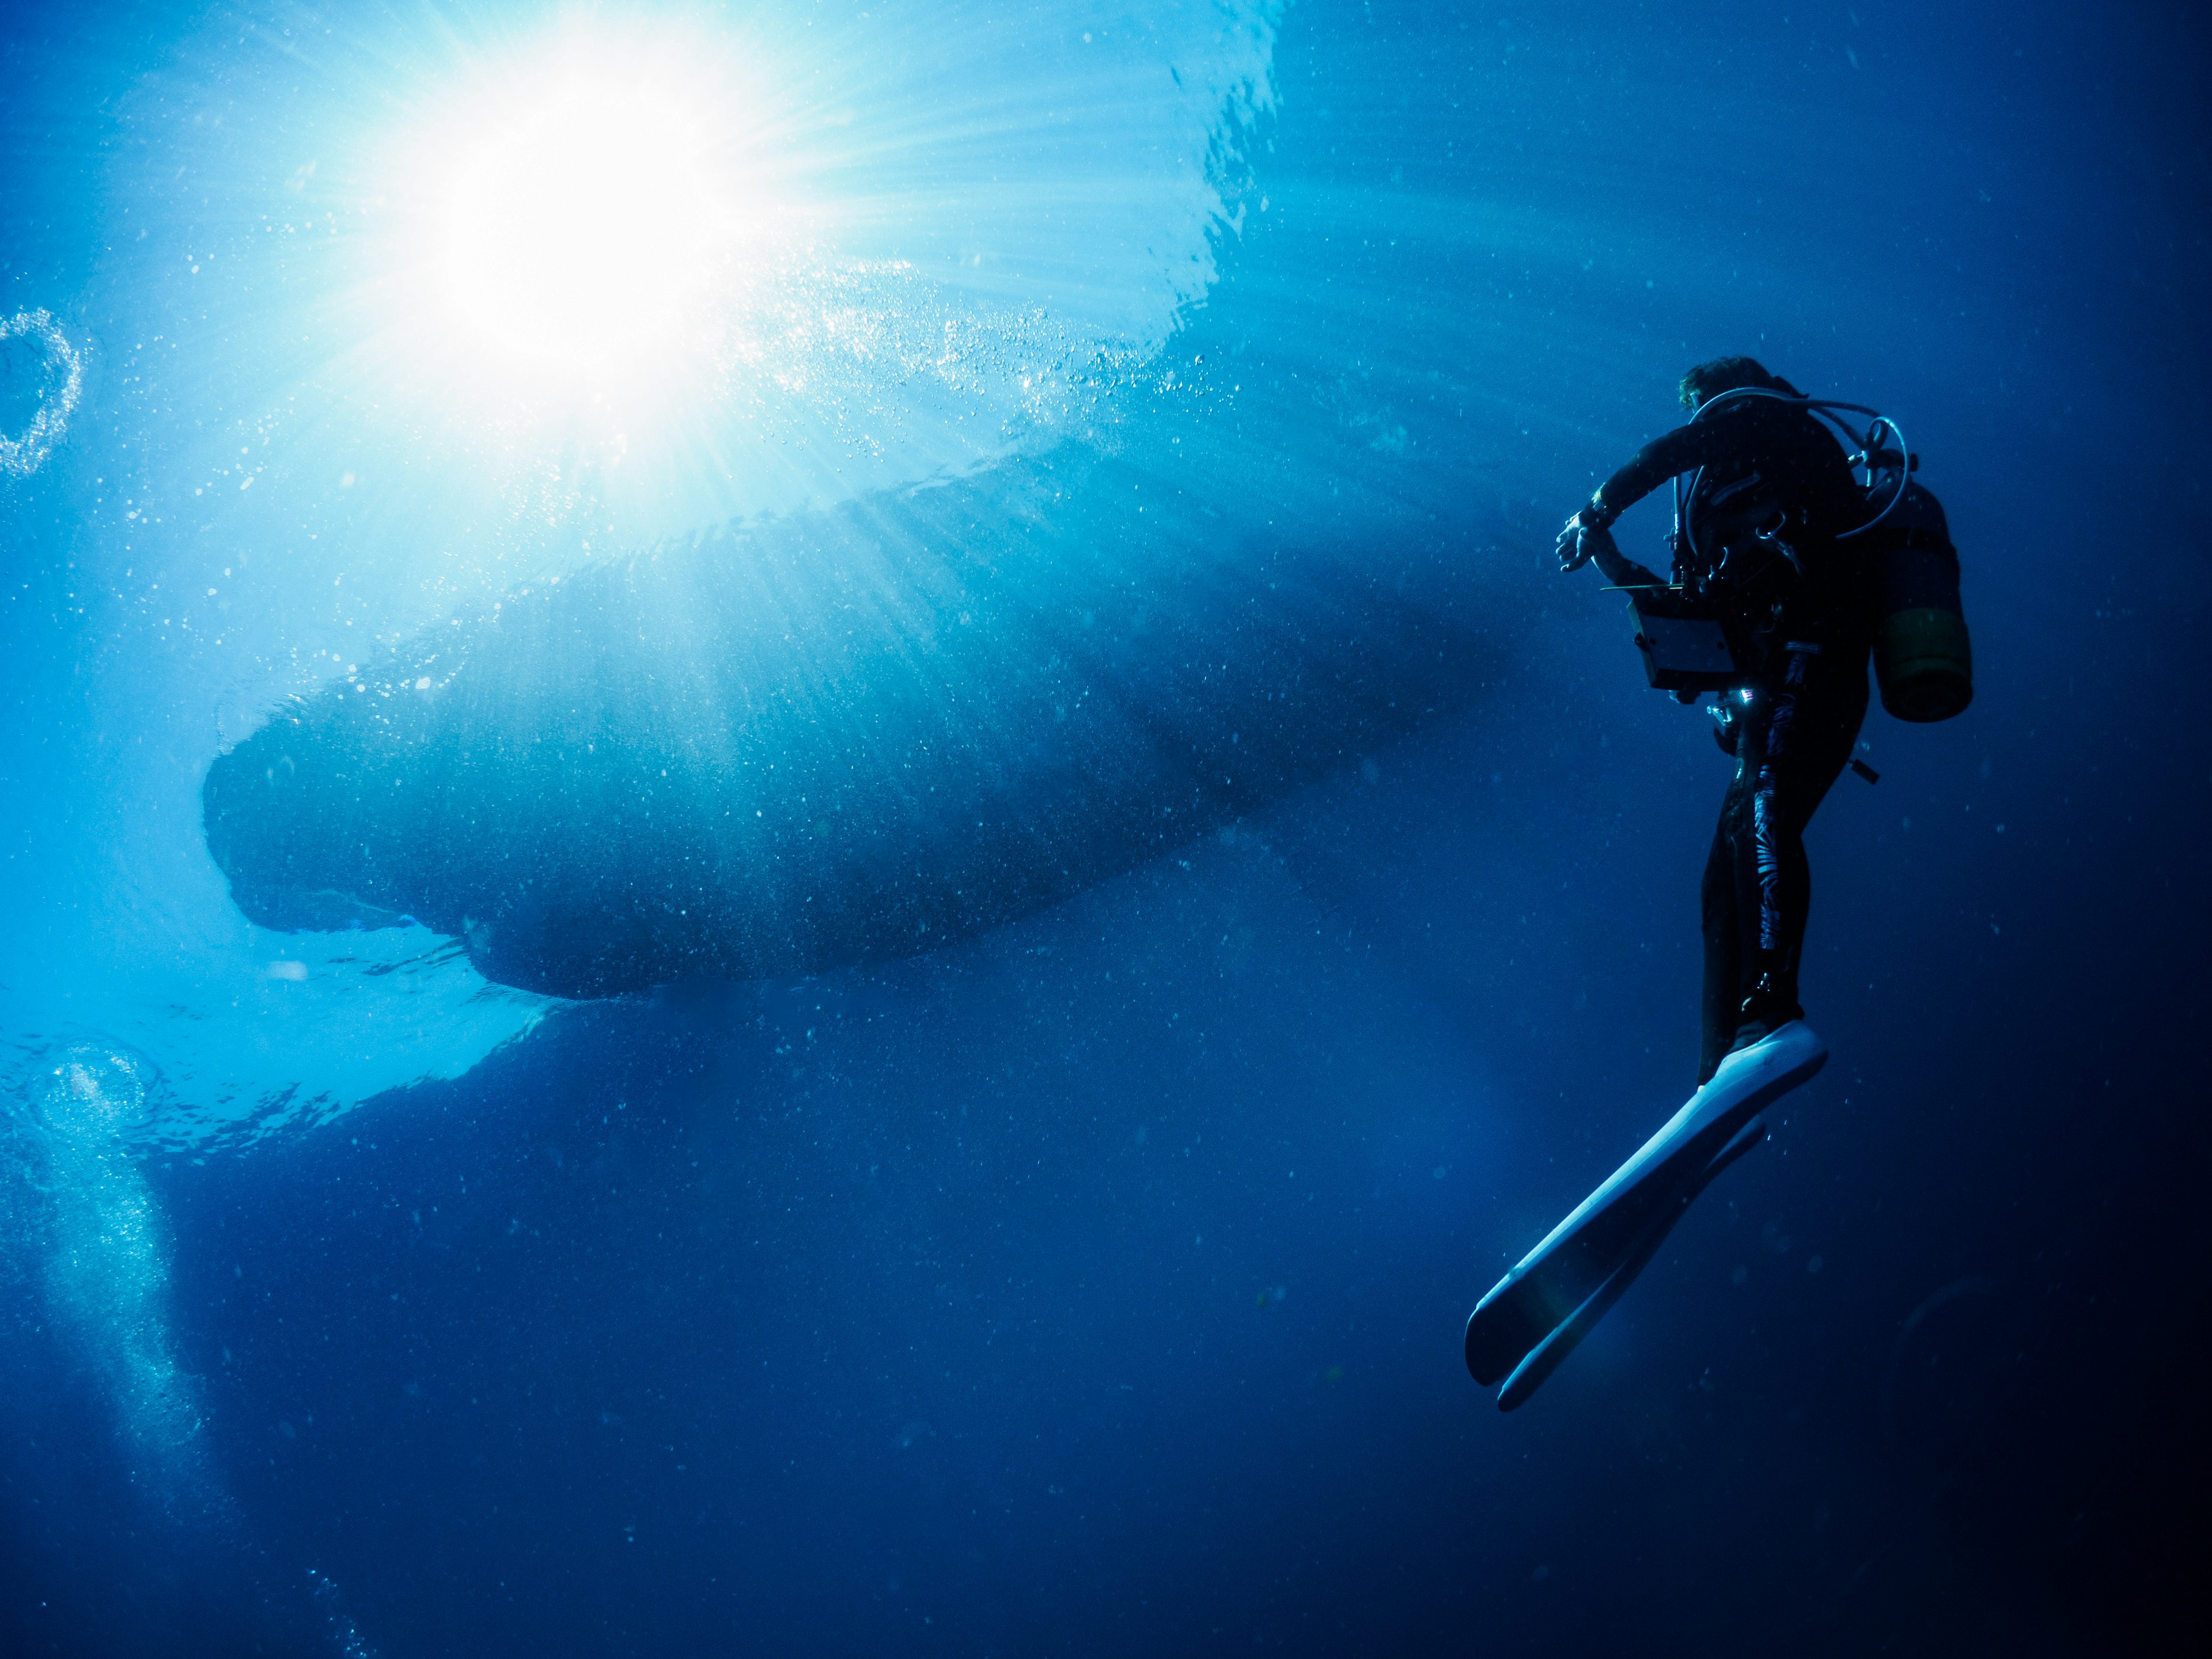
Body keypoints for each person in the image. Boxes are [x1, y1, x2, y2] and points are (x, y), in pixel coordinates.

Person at [1556, 357, 1875, 1084]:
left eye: (1701, 409)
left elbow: (1669, 452)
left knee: (1763, 811)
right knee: (1721, 867)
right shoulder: (1730, 504)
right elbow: (1690, 612)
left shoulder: (1769, 425)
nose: (1704, 426)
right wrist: (1607, 554)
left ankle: (1775, 1010)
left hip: (1818, 658)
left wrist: (1596, 509)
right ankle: (1724, 1060)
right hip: (1776, 688)